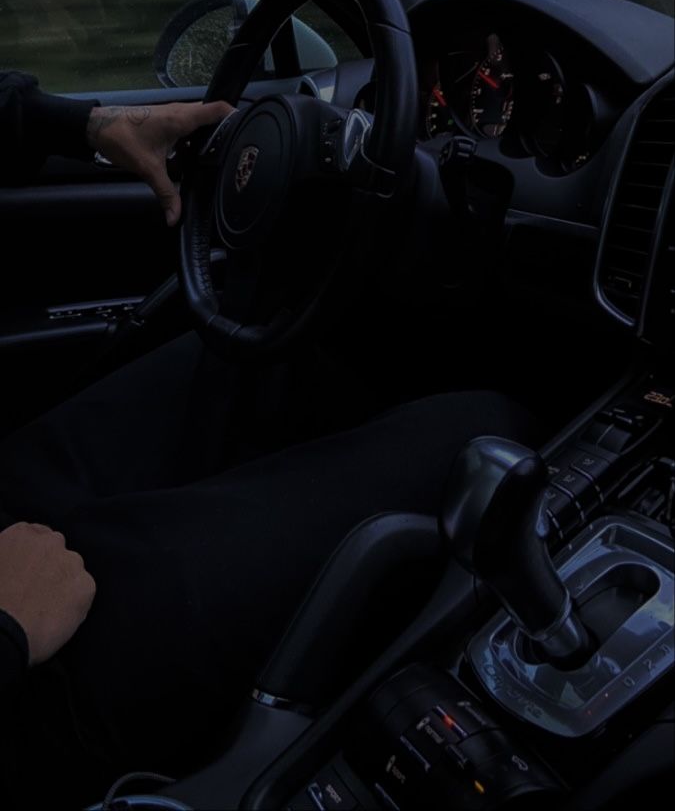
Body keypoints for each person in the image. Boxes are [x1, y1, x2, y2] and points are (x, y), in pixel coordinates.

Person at [0, 70, 537, 807]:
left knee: (273, 351)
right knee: (484, 432)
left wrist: (76, 124)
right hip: (27, 680)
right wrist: (8, 628)